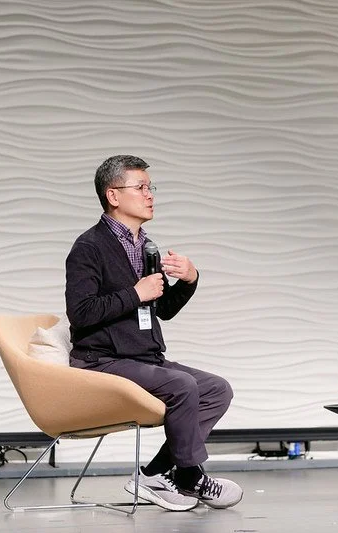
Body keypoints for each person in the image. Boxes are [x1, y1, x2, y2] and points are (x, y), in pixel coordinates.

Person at [65, 155, 243, 511]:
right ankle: (189, 475)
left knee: (216, 389)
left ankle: (155, 473)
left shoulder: (146, 247)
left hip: (143, 358)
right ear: (113, 195)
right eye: (141, 187)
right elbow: (81, 313)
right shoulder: (89, 247)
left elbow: (162, 309)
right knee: (182, 385)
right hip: (101, 360)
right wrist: (135, 293)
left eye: (151, 187)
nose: (150, 195)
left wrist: (190, 279)